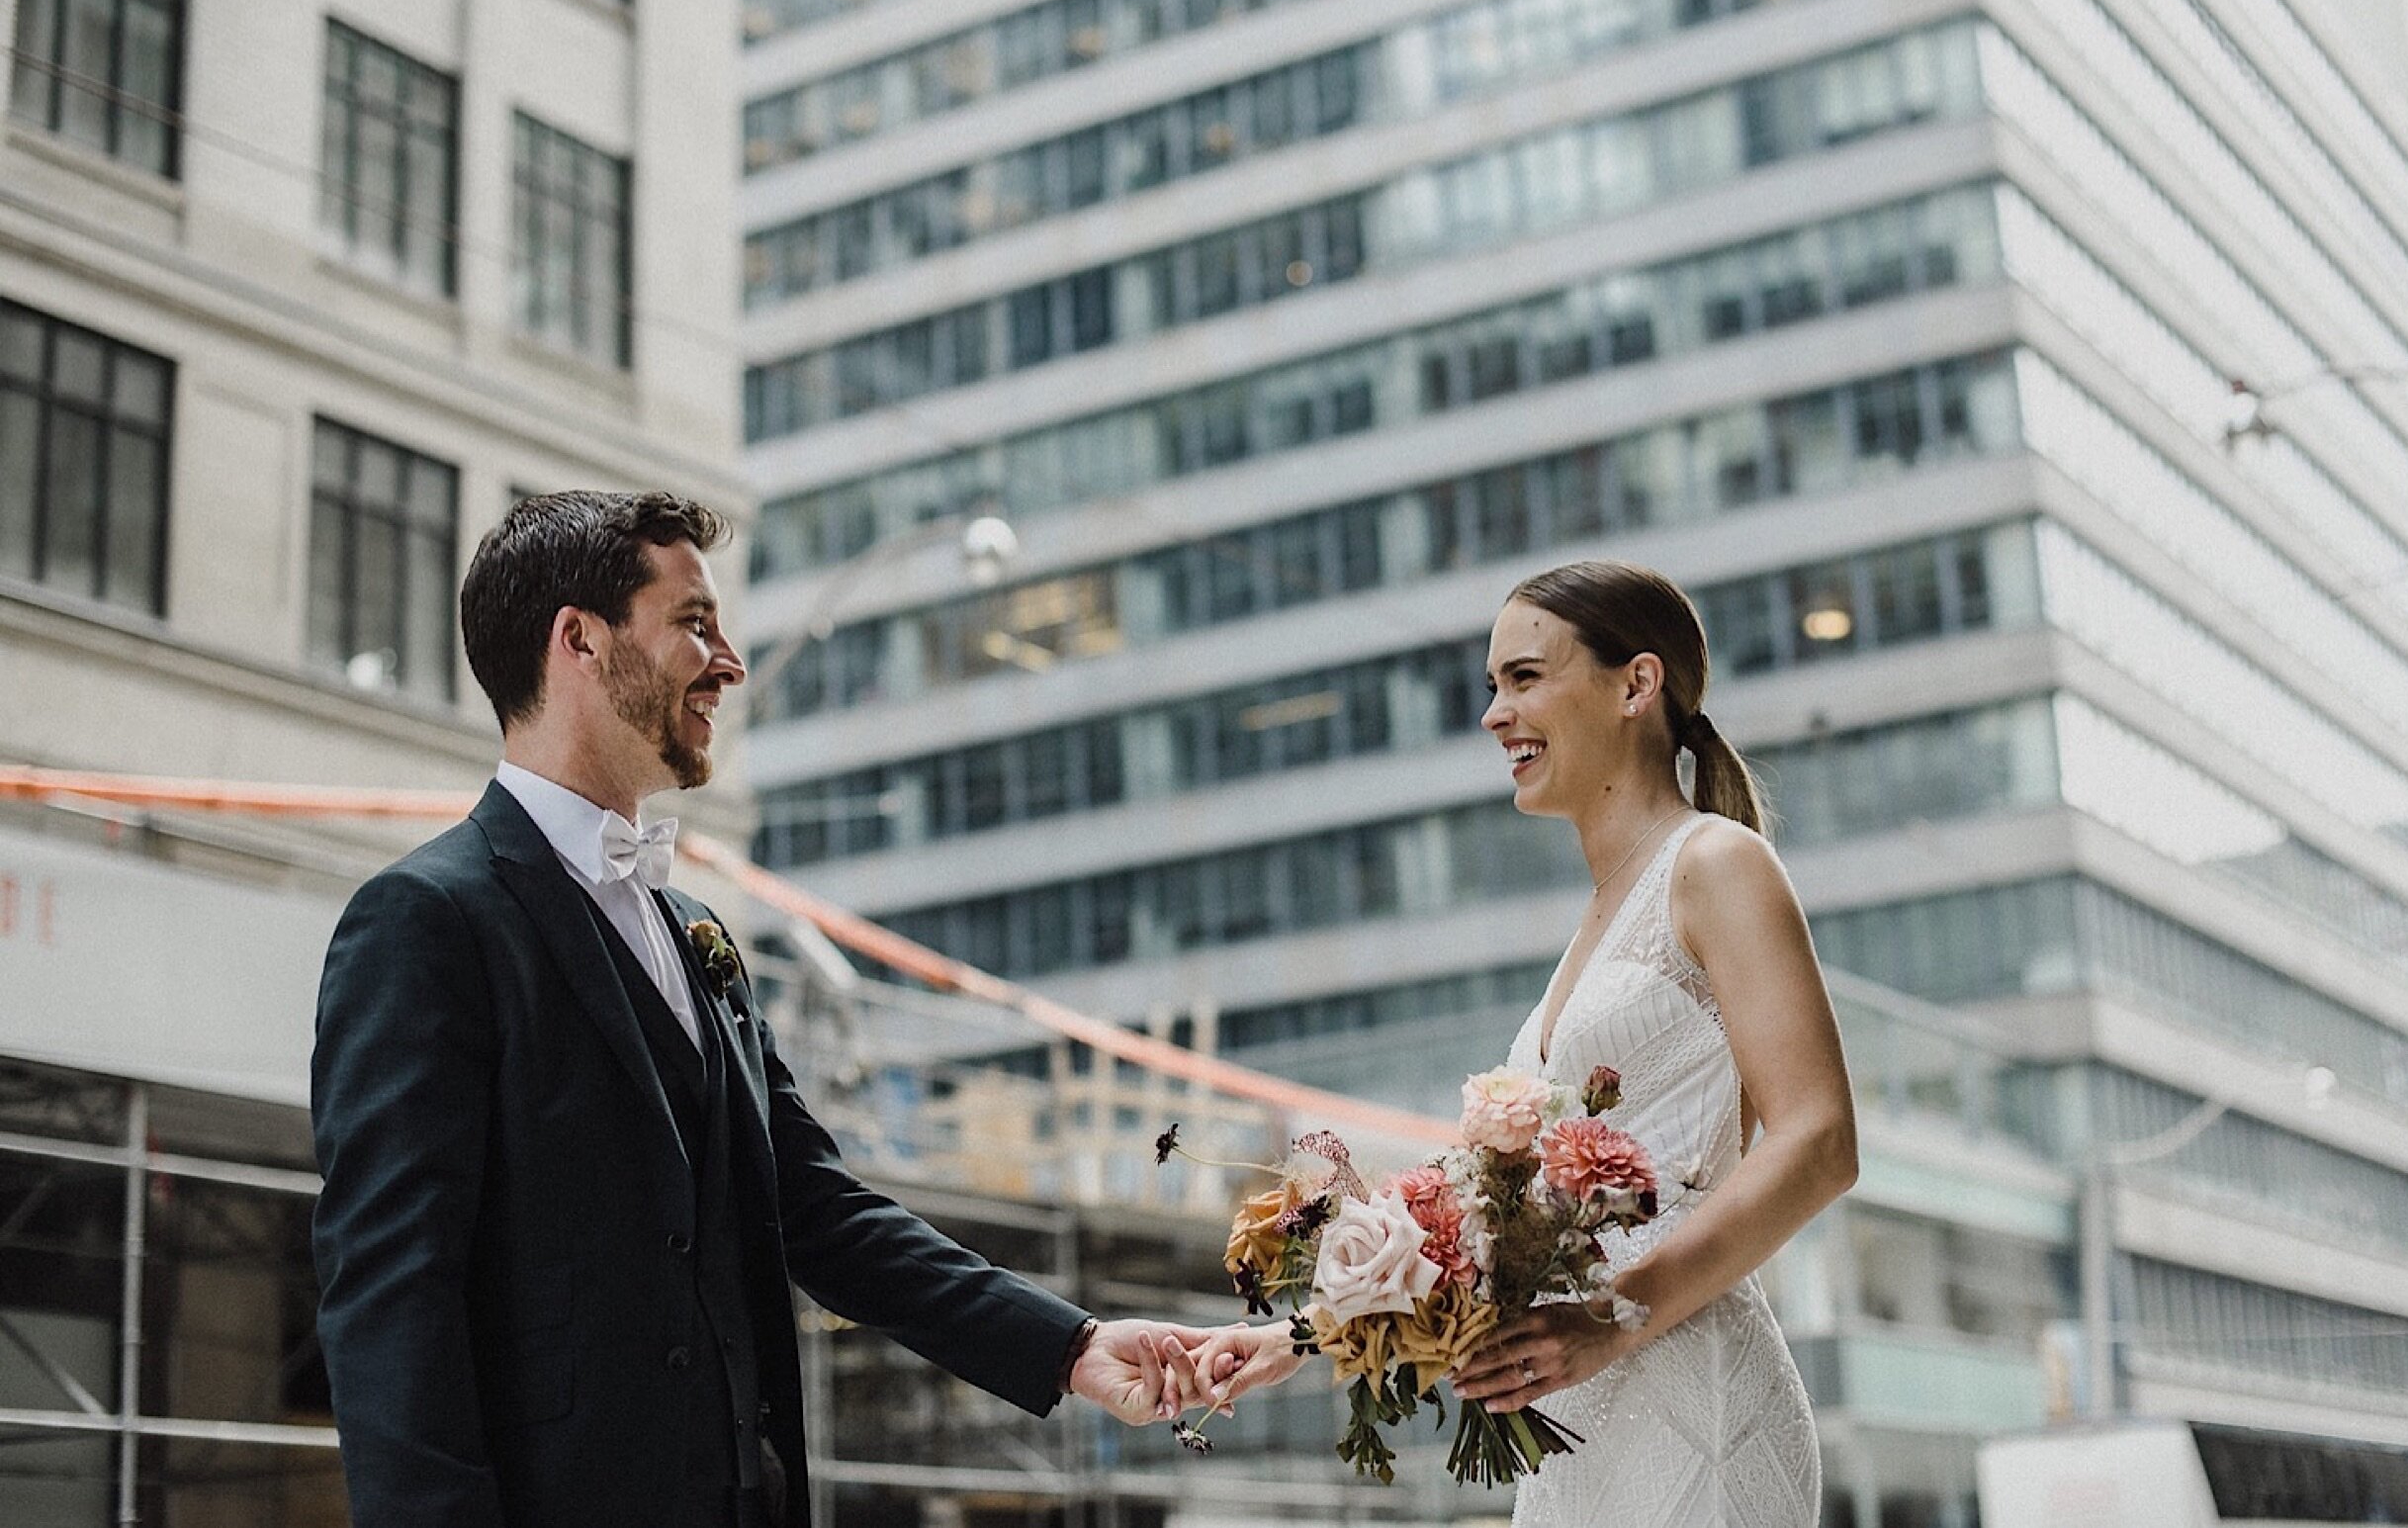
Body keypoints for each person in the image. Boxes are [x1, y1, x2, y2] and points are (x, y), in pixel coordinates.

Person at [311, 492, 1222, 1528]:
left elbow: (814, 1208)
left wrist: (1069, 1345)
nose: (730, 662)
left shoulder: (698, 931)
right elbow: (390, 1299)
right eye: (694, 623)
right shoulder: (425, 921)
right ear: (579, 640)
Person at [1205, 560, 1858, 1526]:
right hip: (1577, 1420)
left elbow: (1819, 1140)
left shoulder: (1715, 862)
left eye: (1523, 677)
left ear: (1635, 684)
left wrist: (1610, 1313)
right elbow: (1478, 1214)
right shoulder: (1599, 919)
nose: (1493, 713)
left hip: (1692, 1404)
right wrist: (1293, 1339)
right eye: (1491, 685)